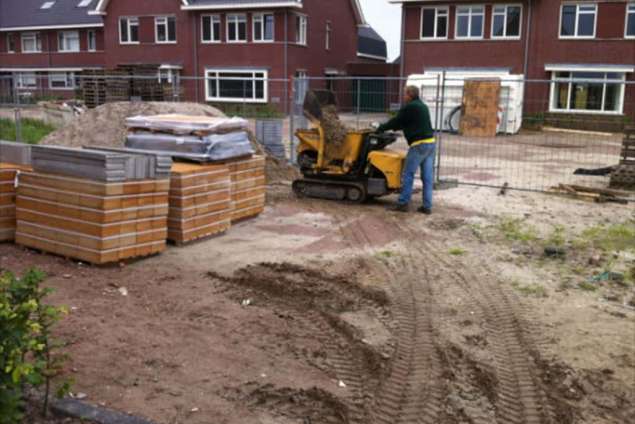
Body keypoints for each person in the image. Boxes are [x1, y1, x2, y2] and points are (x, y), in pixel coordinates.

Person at [377, 85, 435, 214]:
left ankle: (403, 203)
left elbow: (396, 121)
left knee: (408, 174)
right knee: (427, 177)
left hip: (419, 145)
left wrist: (380, 128)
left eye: (405, 94)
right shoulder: (422, 106)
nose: (403, 97)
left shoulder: (410, 107)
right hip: (430, 144)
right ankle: (427, 206)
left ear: (409, 94)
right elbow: (409, 122)